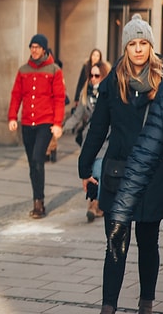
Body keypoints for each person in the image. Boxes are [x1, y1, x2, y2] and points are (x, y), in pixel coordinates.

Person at [77, 13, 163, 314]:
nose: (139, 49)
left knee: (148, 243)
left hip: (154, 176)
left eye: (144, 43)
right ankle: (108, 307)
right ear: (125, 47)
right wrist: (85, 168)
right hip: (119, 176)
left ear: (151, 46)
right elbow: (98, 128)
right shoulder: (111, 83)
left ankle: (146, 303)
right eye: (133, 43)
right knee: (116, 244)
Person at [8, 34, 66, 219]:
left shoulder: (54, 70)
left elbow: (59, 98)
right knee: (32, 164)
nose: (34, 50)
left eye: (37, 47)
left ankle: (39, 204)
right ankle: (37, 198)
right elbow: (16, 95)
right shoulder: (23, 70)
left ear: (44, 49)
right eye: (31, 47)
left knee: (37, 159)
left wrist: (57, 123)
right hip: (27, 123)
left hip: (45, 123)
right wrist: (12, 117)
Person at [63, 61, 110, 222]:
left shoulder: (110, 93)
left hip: (106, 140)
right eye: (91, 76)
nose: (93, 79)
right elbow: (77, 115)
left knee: (98, 170)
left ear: (104, 76)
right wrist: (62, 128)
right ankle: (95, 203)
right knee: (91, 172)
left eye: (97, 76)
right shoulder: (86, 94)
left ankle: (96, 204)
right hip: (89, 140)